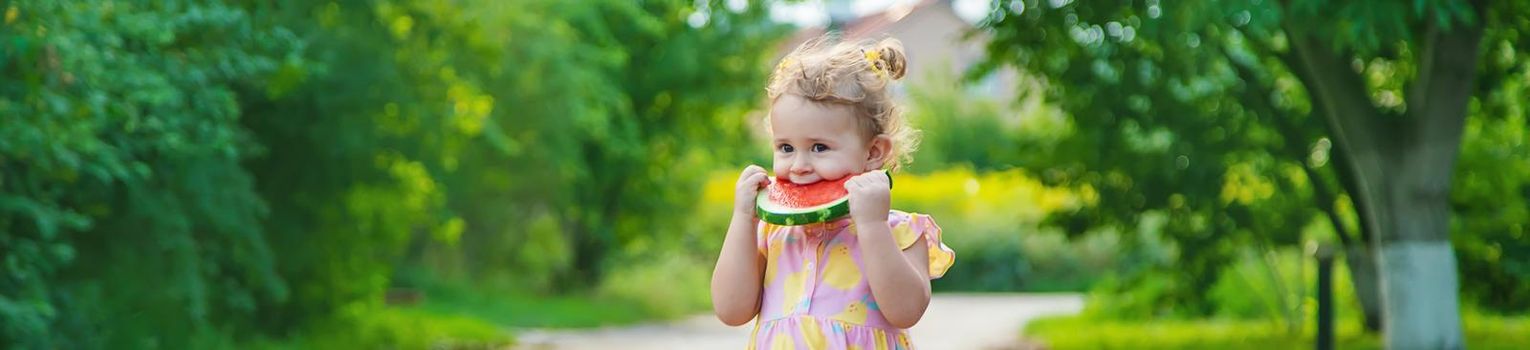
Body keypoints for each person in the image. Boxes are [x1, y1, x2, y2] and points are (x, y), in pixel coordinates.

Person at [710, 35, 957, 349]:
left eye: (819, 147)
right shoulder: (772, 232)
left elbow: (906, 311)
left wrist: (872, 226)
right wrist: (742, 219)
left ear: (873, 152)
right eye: (785, 147)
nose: (799, 165)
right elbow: (731, 311)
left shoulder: (901, 231)